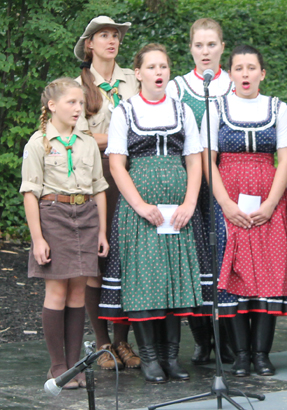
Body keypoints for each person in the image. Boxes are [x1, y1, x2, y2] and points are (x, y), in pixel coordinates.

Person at [103, 43, 204, 383]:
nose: (159, 72)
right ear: (138, 73)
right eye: (151, 67)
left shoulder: (182, 110)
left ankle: (170, 357)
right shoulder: (126, 111)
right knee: (144, 280)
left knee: (173, 280)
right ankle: (149, 358)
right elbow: (117, 165)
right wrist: (140, 206)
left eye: (163, 66)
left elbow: (194, 160)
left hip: (177, 209)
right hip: (141, 209)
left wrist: (189, 203)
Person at [200, 44, 287, 377]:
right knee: (235, 272)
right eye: (239, 68)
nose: (245, 74)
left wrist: (271, 203)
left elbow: (286, 158)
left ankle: (261, 354)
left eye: (251, 68)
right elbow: (208, 160)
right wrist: (225, 204)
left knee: (268, 272)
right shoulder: (217, 107)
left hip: (269, 198)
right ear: (230, 74)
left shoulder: (278, 108)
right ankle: (241, 354)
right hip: (228, 197)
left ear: (262, 74)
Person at [20, 78, 109, 389]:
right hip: (54, 216)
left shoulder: (87, 142)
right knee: (57, 291)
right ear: (52, 105)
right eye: (71, 102)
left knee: (78, 292)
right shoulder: (38, 143)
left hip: (86, 216)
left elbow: (99, 189)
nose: (78, 108)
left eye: (80, 103)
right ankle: (58, 365)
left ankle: (74, 366)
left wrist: (102, 232)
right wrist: (38, 238)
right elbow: (30, 193)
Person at [166, 18, 234, 366]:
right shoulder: (177, 87)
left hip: (227, 183)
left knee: (225, 257)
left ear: (222, 46)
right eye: (198, 45)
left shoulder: (235, 82)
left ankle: (229, 339)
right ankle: (201, 338)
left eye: (211, 44)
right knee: (195, 257)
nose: (205, 52)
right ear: (190, 48)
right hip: (190, 183)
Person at [74, 15, 140, 370]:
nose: (111, 40)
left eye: (115, 35)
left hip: (132, 174)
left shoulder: (133, 78)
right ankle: (102, 343)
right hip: (95, 178)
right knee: (97, 262)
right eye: (103, 35)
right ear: (89, 44)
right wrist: (123, 134)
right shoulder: (77, 86)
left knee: (126, 258)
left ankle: (122, 341)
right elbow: (77, 136)